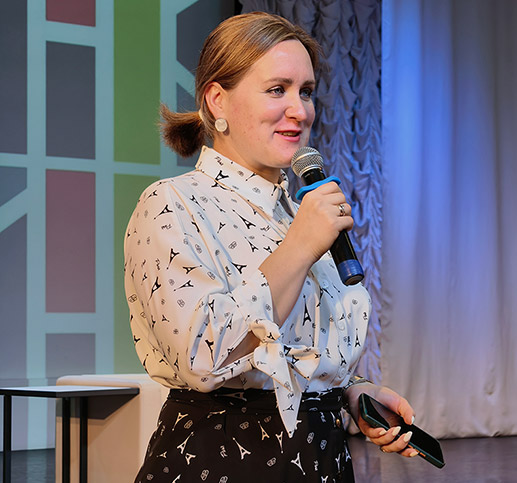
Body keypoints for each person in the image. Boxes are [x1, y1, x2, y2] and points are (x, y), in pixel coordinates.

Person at [124, 12, 417, 482]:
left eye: (307, 92)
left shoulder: (301, 216)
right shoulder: (172, 205)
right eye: (278, 89)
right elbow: (203, 356)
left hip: (322, 460)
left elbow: (297, 349)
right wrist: (298, 248)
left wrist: (351, 391)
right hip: (221, 459)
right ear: (217, 100)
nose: (300, 111)